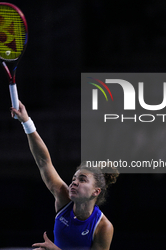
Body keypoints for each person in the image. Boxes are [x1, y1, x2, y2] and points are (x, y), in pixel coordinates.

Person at [11, 101, 119, 250]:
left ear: (96, 191)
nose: (74, 183)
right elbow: (44, 162)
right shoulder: (64, 198)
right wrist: (26, 122)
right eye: (74, 178)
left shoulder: (103, 227)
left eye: (82, 180)